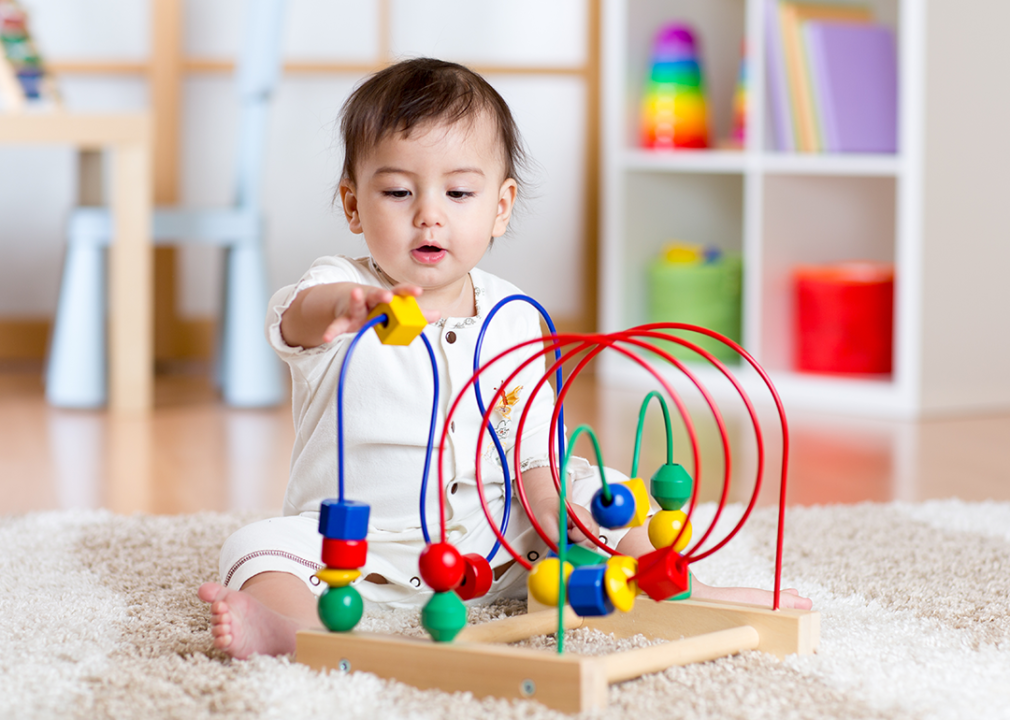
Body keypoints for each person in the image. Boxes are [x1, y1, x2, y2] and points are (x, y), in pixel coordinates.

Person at [198, 58, 811, 660]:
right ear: (353, 204)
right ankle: (294, 631)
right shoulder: (338, 288)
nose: (429, 213)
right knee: (258, 546)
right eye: (397, 191)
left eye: (459, 191)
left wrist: (547, 503)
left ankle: (685, 592)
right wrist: (349, 307)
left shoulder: (515, 316)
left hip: (497, 550)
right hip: (357, 552)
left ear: (501, 206)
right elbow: (297, 318)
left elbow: (533, 443)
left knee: (606, 493)